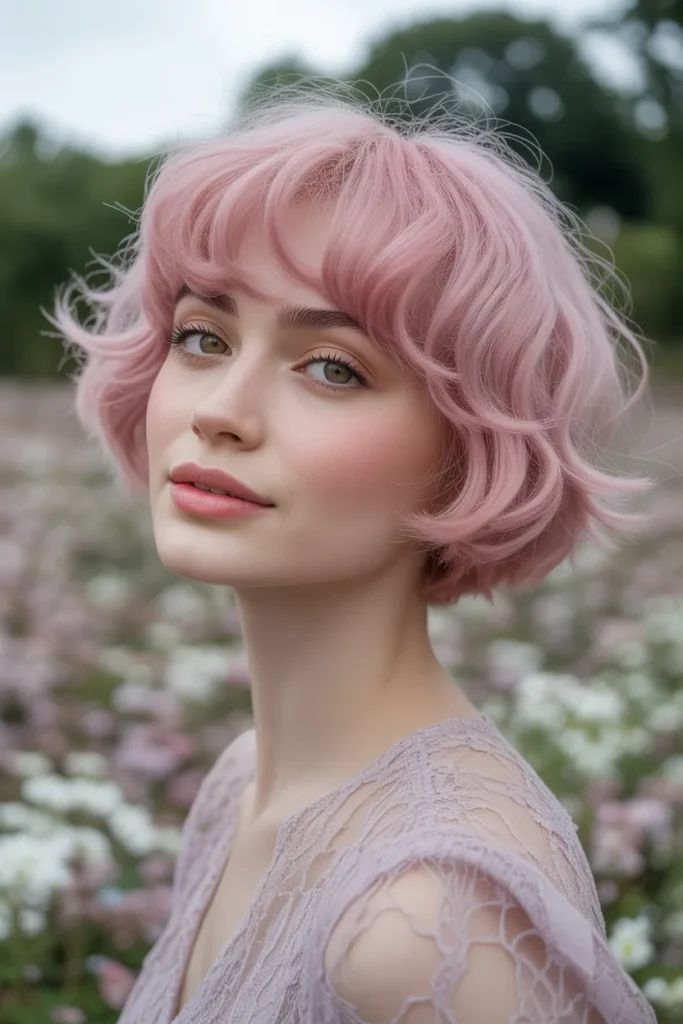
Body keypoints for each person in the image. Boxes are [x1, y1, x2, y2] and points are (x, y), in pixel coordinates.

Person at [47, 80, 657, 1023]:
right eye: (202, 336)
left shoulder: (426, 921)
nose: (219, 409)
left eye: (331, 367)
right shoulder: (239, 786)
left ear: (470, 447)